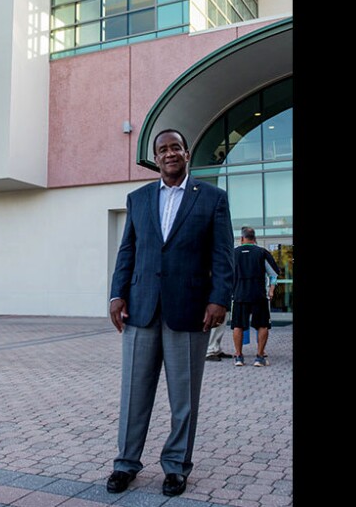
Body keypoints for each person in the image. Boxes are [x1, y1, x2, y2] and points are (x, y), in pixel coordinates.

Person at [107, 129, 234, 498]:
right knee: (133, 394)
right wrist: (117, 294)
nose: (169, 153)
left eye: (175, 147)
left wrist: (219, 299)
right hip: (141, 309)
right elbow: (127, 251)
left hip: (191, 312)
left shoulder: (212, 198)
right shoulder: (138, 198)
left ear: (186, 152)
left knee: (184, 398)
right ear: (155, 158)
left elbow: (222, 255)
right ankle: (126, 464)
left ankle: (176, 467)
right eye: (162, 150)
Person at [230, 227, 278, 367]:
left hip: (239, 295)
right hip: (258, 295)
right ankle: (259, 357)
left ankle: (239, 357)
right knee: (263, 325)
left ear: (242, 238)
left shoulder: (233, 253)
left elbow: (226, 275)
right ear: (254, 239)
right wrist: (272, 290)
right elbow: (273, 274)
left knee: (238, 326)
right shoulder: (262, 252)